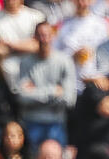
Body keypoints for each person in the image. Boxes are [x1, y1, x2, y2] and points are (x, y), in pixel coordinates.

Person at [14, 21, 76, 152]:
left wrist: (35, 92)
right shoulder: (25, 62)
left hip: (56, 123)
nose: (44, 39)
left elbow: (69, 99)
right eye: (40, 35)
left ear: (53, 36)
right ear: (34, 37)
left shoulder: (65, 61)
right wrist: (53, 91)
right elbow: (22, 96)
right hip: (31, 122)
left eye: (47, 35)